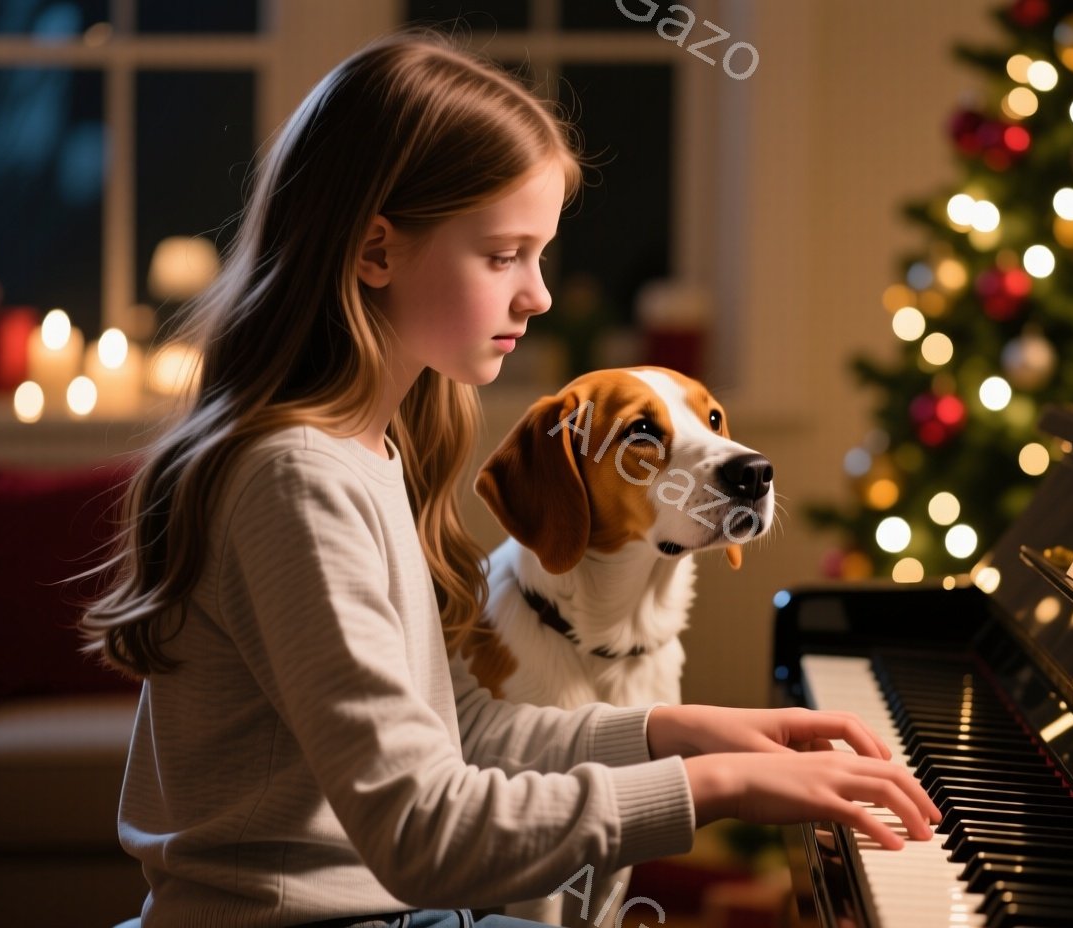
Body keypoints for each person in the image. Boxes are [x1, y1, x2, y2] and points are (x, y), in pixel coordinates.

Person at [76, 29, 938, 928]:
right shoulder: (295, 479)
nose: (539, 295)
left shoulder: (369, 453)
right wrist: (713, 787)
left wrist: (679, 734)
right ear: (376, 252)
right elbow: (420, 830)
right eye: (502, 256)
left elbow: (464, 740)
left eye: (539, 254)